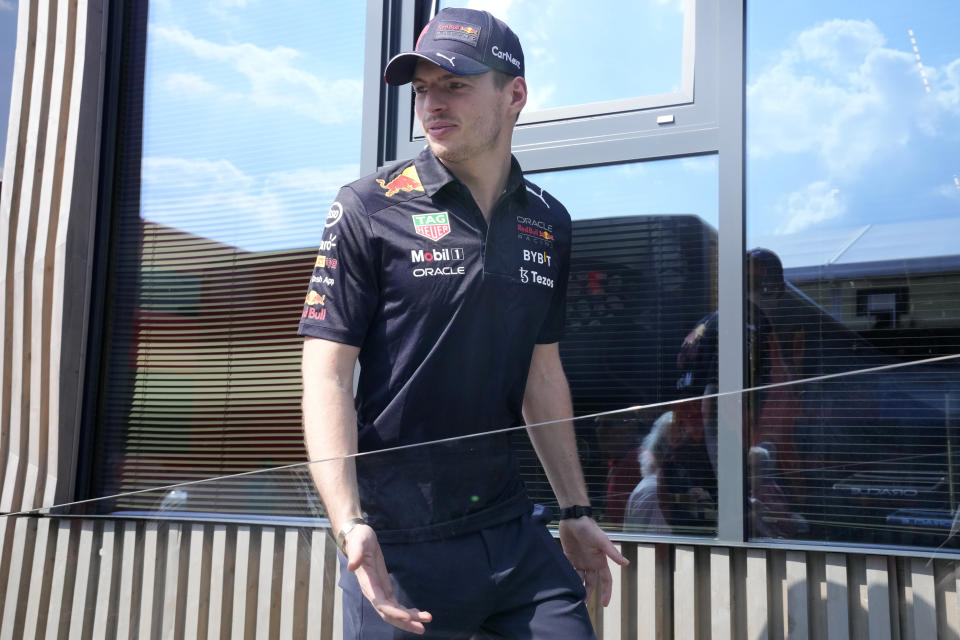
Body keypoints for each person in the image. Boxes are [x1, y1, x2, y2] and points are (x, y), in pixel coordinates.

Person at [299, 8, 627, 638]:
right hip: (398, 545)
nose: (432, 105)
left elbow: (542, 370)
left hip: (510, 532)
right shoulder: (368, 205)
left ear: (515, 95)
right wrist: (349, 522)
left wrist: (576, 509)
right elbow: (327, 377)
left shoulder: (548, 220)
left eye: (455, 85)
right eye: (422, 89)